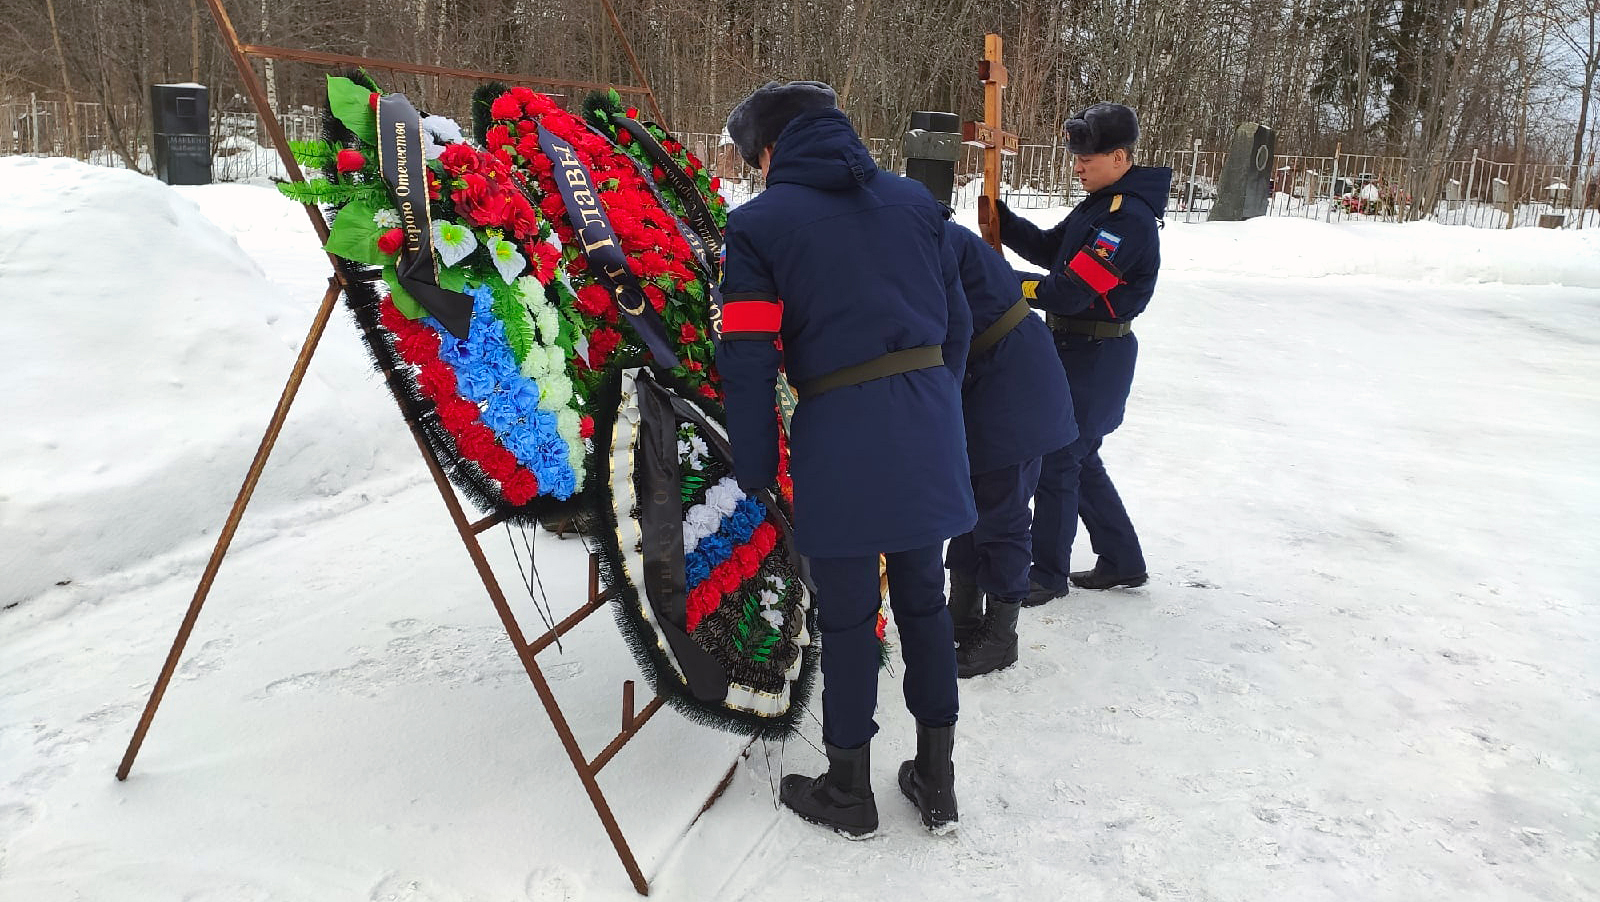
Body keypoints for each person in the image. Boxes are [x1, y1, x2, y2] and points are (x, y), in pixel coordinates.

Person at [717, 81, 974, 837]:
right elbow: (956, 323)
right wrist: (935, 405)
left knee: (851, 616)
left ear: (769, 151)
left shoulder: (759, 227)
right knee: (924, 599)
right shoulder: (914, 204)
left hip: (841, 434)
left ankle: (848, 789)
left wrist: (758, 469)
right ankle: (937, 780)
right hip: (928, 426)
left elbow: (749, 356)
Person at [988, 102, 1171, 604]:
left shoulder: (1127, 218)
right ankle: (1122, 560)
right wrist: (1003, 221)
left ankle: (1047, 574)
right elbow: (1053, 251)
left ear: (1118, 156)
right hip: (1075, 348)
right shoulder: (1101, 204)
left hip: (1096, 354)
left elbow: (1069, 292)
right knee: (1079, 457)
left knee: (1060, 459)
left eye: (1086, 159)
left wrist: (1003, 285)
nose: (1077, 167)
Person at [941, 220, 1076, 677]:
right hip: (987, 382)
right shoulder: (913, 226)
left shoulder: (918, 238)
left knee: (1001, 513)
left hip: (1012, 386)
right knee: (966, 502)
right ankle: (962, 612)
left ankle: (1001, 637)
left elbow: (943, 331)